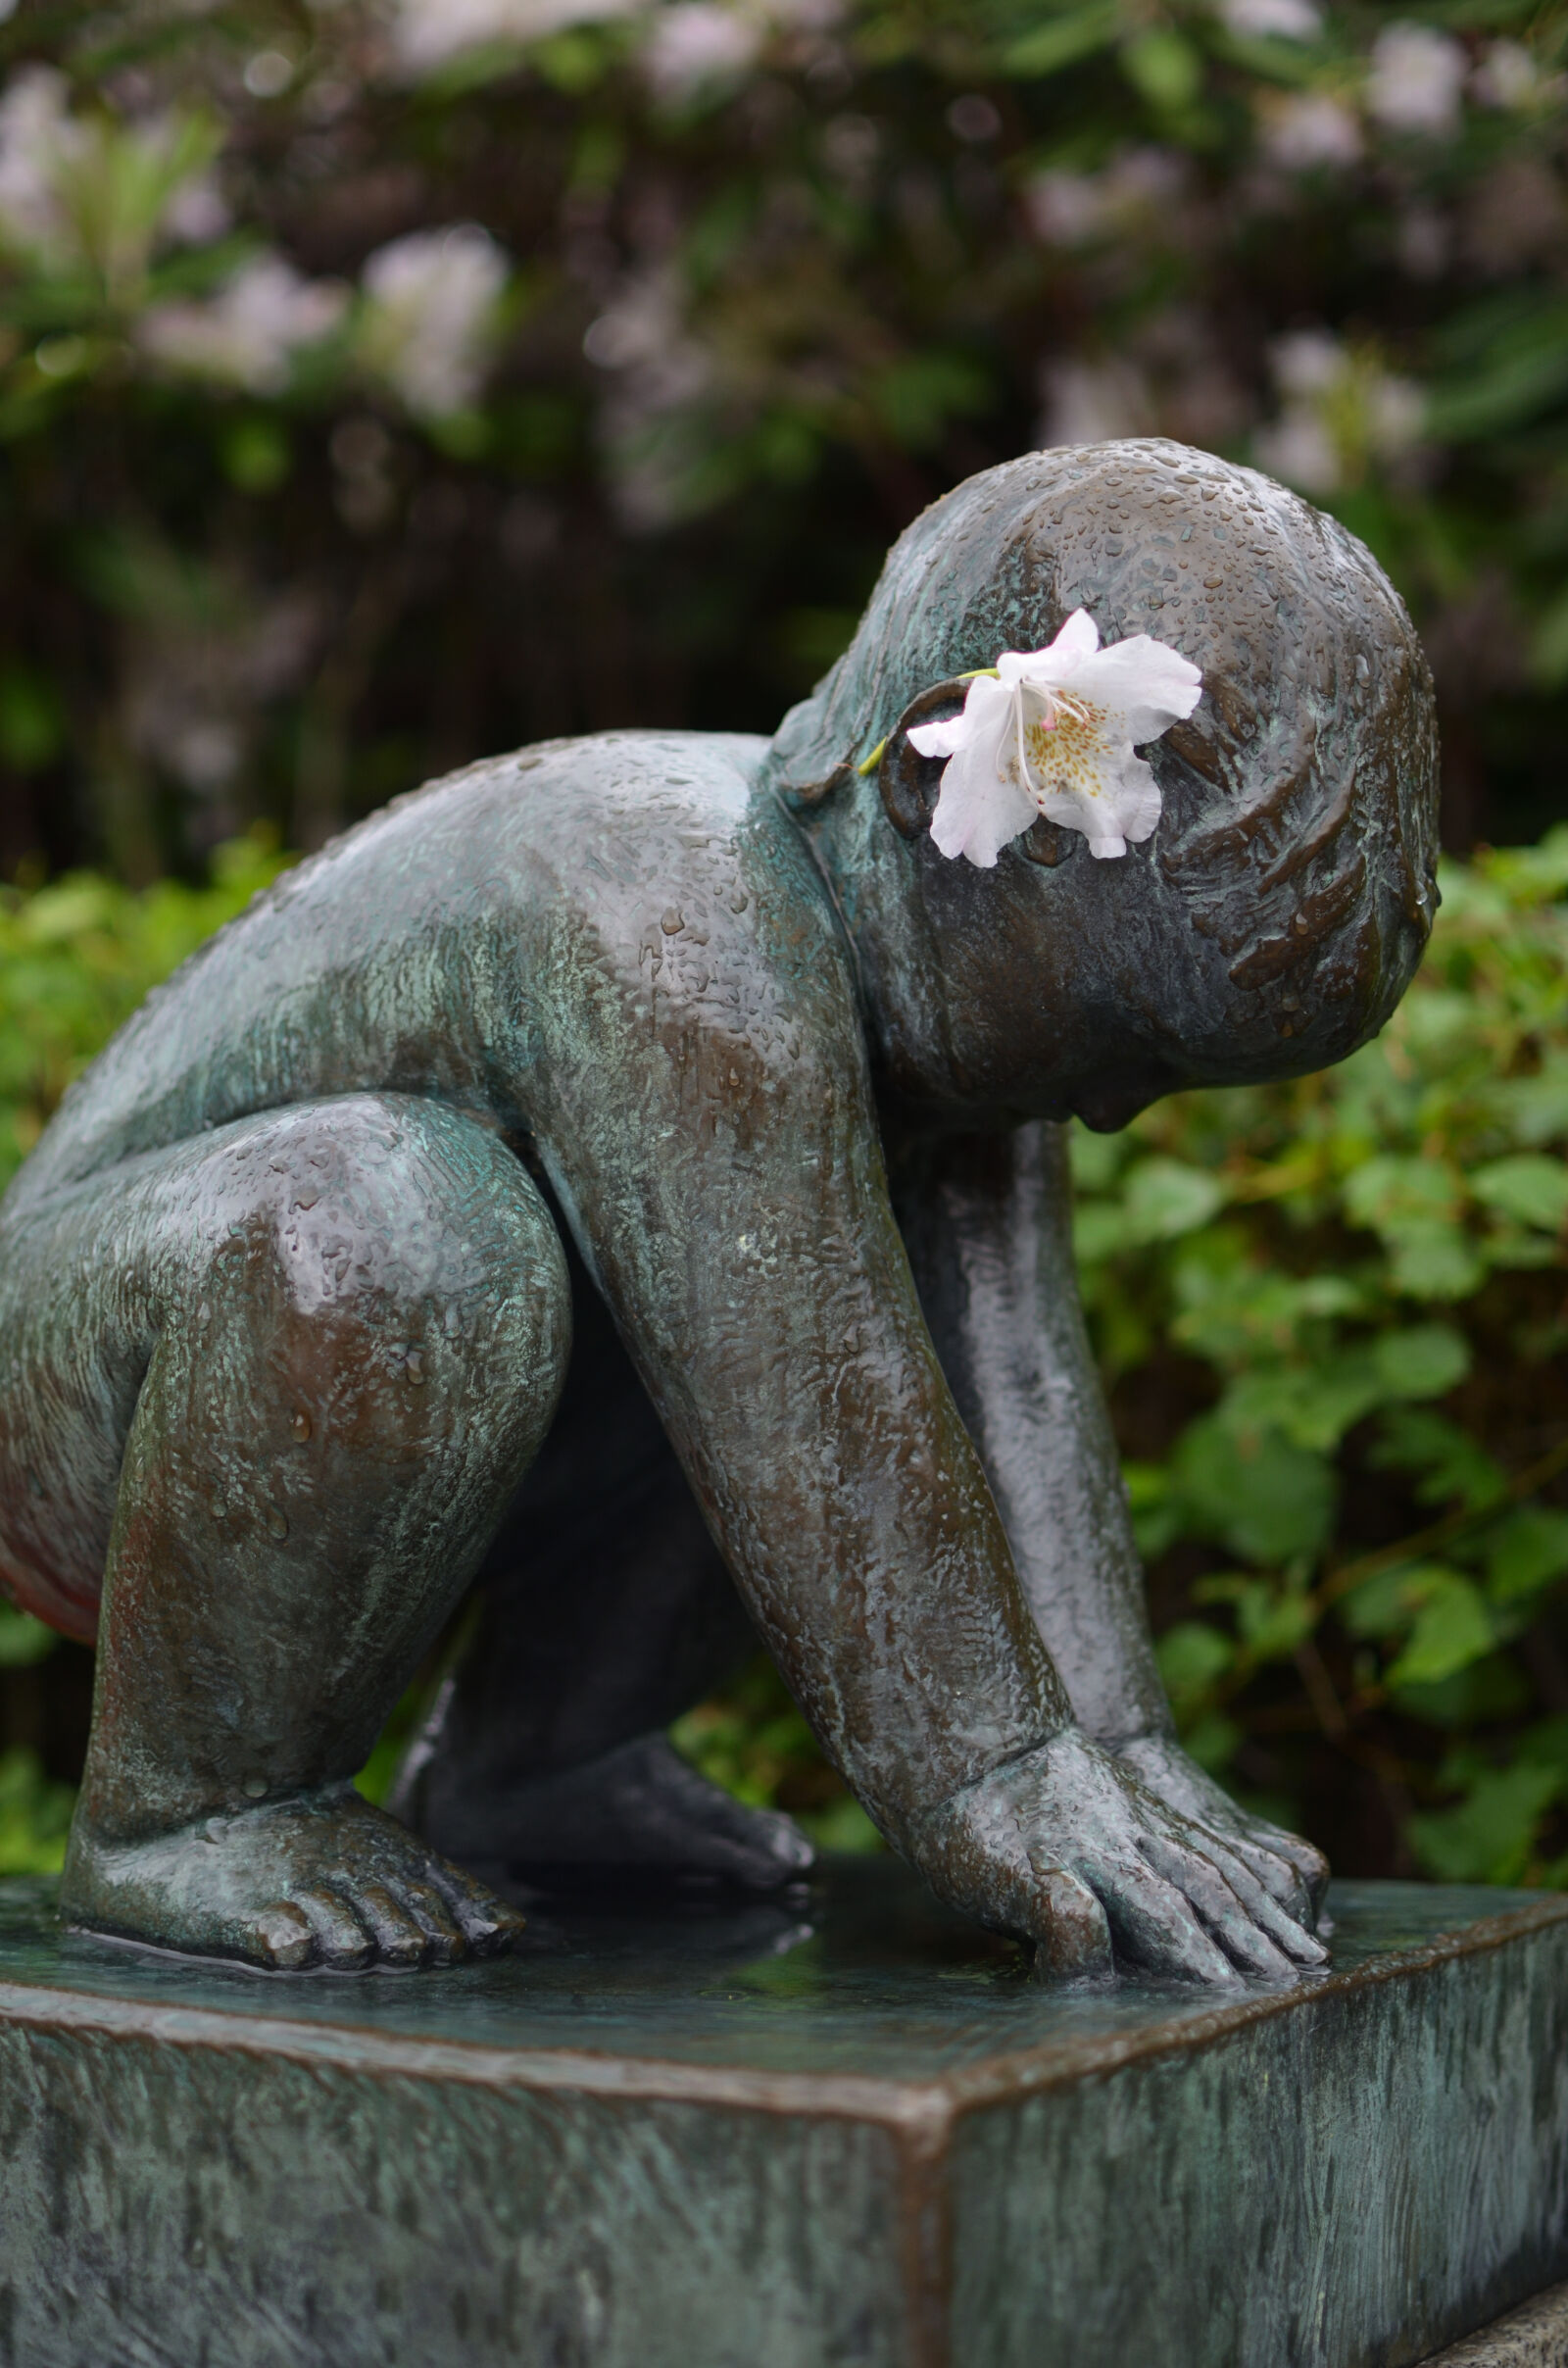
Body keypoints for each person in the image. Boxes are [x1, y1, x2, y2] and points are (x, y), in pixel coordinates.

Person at [0, 440, 1437, 1978]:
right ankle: (185, 1809)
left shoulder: (929, 1032)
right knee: (409, 1227)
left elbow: (1011, 1380)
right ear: (943, 787)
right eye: (1124, 1043)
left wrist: (1122, 1754)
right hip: (108, 1400)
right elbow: (807, 1405)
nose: (1105, 1110)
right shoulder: (678, 912)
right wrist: (995, 1778)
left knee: (745, 1276)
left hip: (423, 1412)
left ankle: (540, 1768)